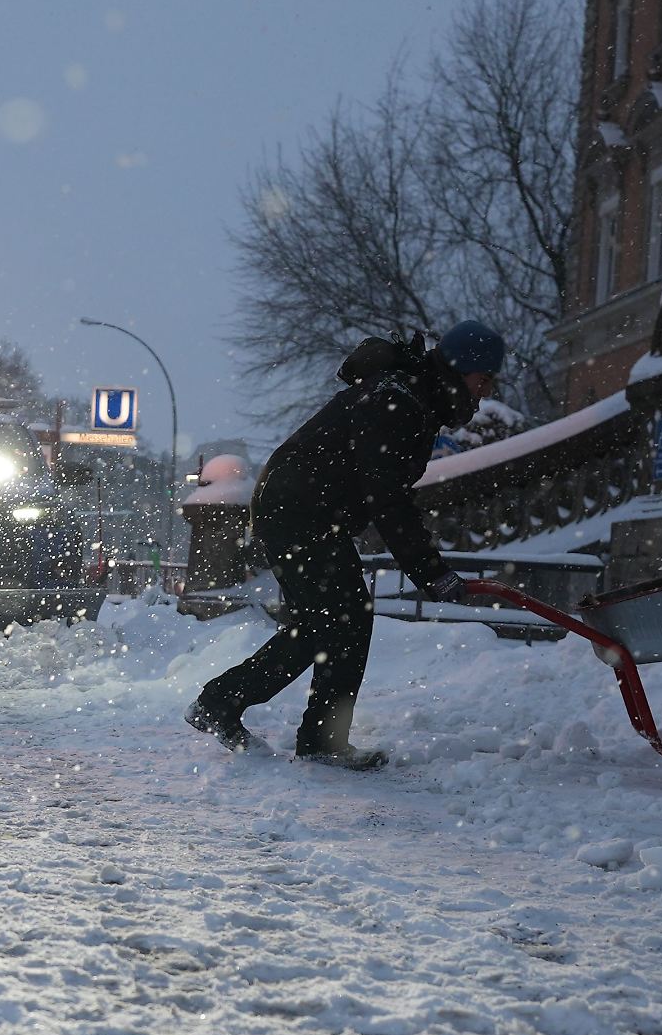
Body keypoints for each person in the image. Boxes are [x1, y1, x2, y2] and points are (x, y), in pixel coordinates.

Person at [186, 319, 506, 770]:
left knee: (332, 622)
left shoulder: (415, 398)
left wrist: (427, 566)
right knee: (341, 620)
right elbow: (386, 497)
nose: (486, 391)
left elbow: (386, 491)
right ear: (459, 369)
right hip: (296, 511)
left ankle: (269, 719)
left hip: (303, 511)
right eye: (484, 378)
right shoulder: (397, 400)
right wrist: (431, 570)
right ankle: (277, 723)